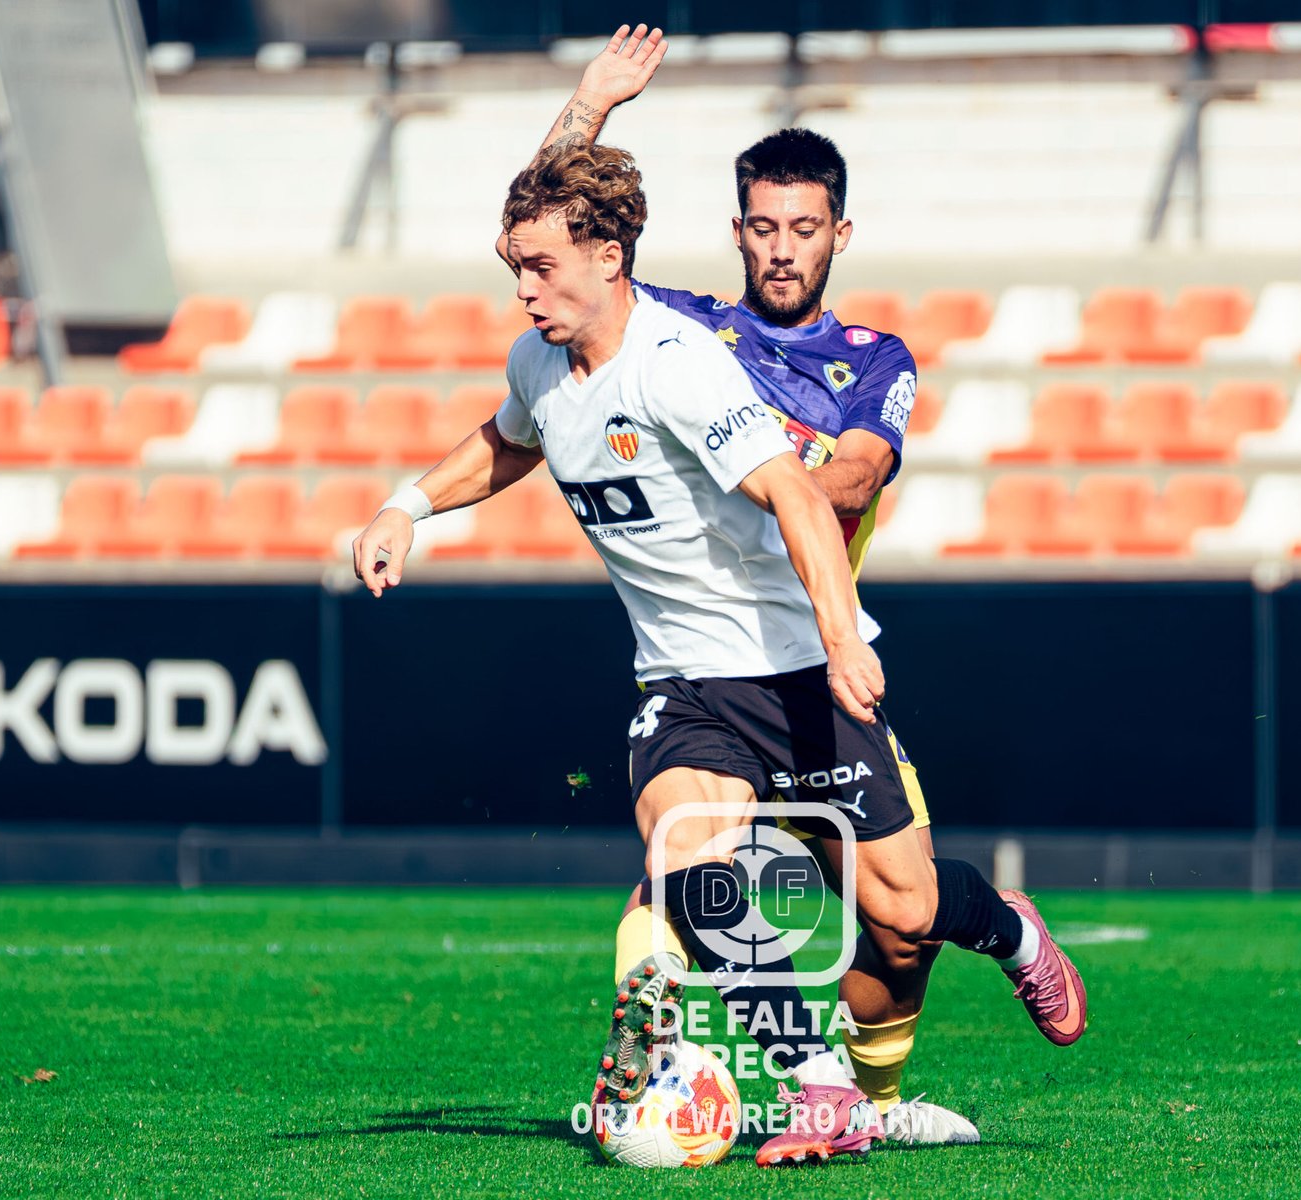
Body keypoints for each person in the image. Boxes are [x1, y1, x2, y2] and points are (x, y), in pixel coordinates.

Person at [354, 141, 1078, 1165]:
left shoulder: (680, 362)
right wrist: (406, 504)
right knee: (684, 847)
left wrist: (837, 642)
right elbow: (510, 436)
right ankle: (813, 1081)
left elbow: (797, 492)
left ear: (608, 260)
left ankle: (1009, 932)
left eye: (538, 271)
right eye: (516, 269)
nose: (521, 292)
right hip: (686, 683)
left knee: (902, 907)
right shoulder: (540, 357)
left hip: (794, 667)